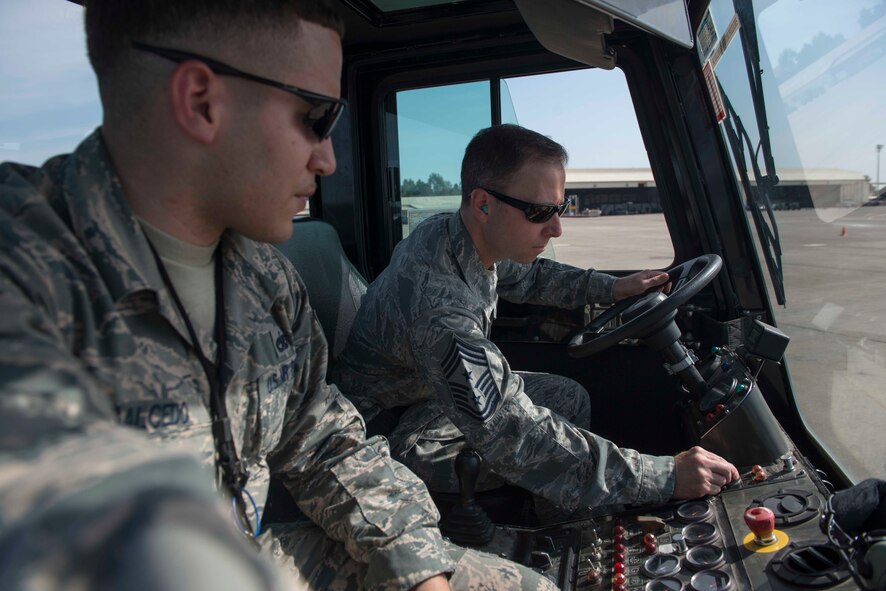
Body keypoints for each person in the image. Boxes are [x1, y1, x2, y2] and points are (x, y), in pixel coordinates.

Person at [0, 4, 556, 590]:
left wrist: (417, 569)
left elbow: (325, 442)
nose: (329, 158)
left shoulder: (261, 278)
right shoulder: (27, 263)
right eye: (314, 118)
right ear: (199, 102)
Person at [332, 124, 740, 518]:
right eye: (540, 212)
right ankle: (563, 538)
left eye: (559, 208)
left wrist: (612, 289)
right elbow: (512, 434)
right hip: (392, 434)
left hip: (430, 401)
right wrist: (663, 477)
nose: (557, 228)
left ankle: (558, 521)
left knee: (568, 397)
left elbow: (530, 277)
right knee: (531, 440)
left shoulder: (464, 237)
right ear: (483, 204)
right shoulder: (438, 307)